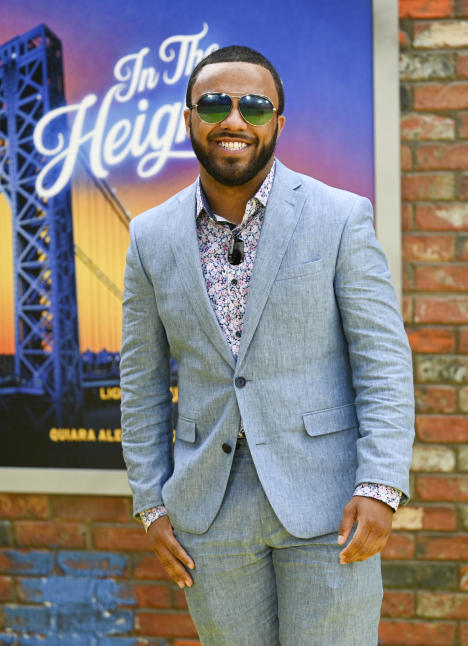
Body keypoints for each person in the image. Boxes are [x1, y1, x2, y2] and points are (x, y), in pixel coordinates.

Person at [120, 45, 414, 645]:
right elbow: (141, 381)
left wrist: (380, 485)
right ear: (188, 118)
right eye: (214, 105)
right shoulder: (150, 237)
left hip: (330, 503)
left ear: (277, 123)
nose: (233, 120)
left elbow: (382, 360)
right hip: (208, 510)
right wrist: (150, 504)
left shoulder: (339, 217)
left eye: (253, 107)